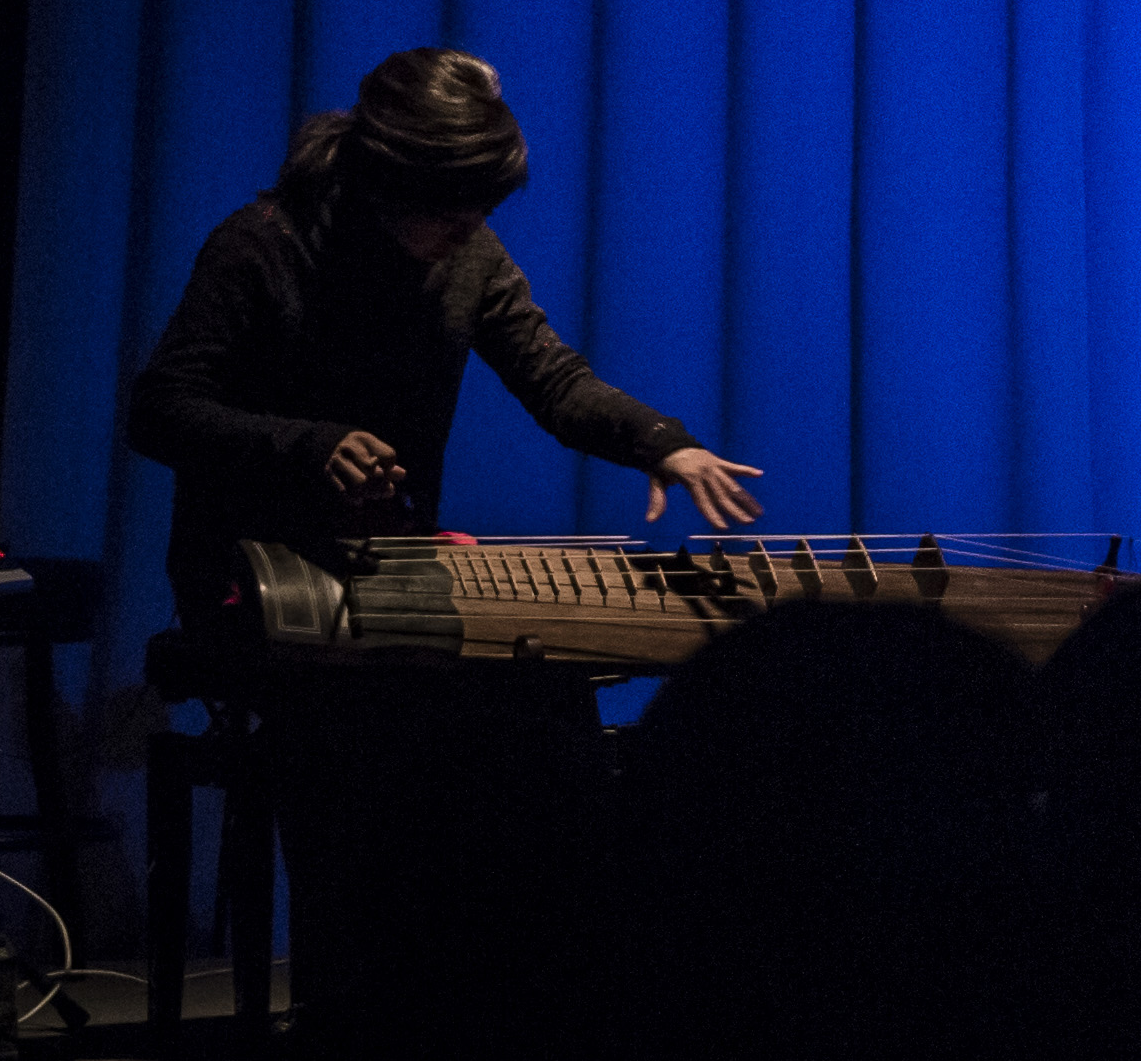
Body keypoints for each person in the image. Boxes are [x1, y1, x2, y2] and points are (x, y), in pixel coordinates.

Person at [124, 46, 766, 630]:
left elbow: (554, 381)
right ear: (388, 184)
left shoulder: (468, 254)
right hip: (253, 573)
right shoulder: (261, 246)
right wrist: (312, 446)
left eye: (483, 212)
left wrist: (663, 444)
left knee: (540, 689)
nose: (471, 230)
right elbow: (160, 412)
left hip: (386, 566)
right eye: (452, 213)